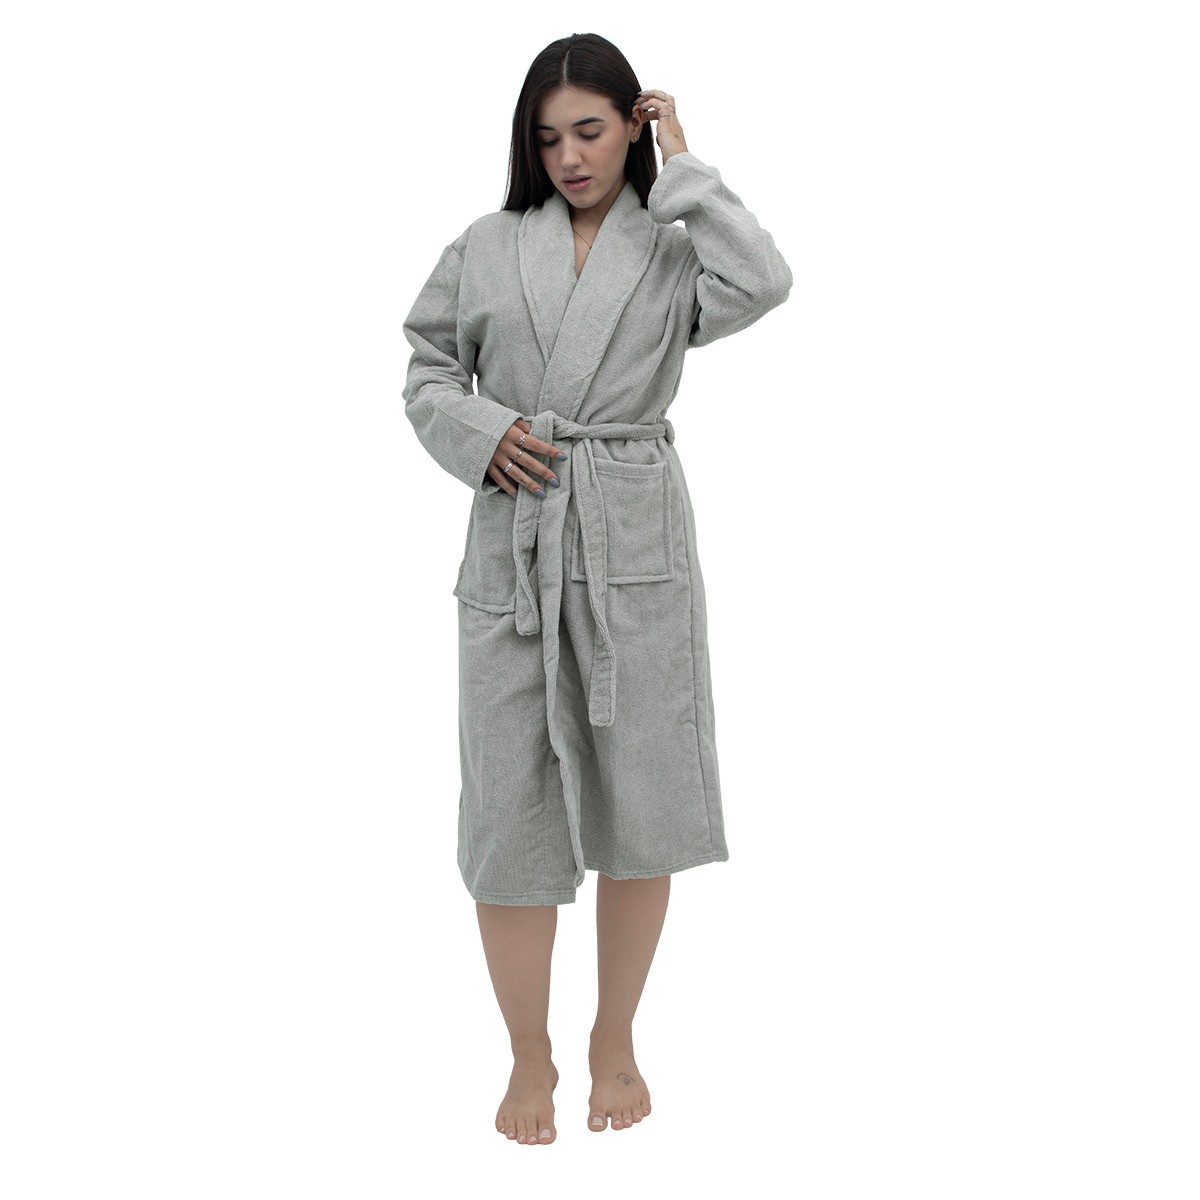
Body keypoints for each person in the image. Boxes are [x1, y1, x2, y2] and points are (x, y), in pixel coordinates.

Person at [402, 32, 791, 1146]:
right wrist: (484, 433)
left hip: (630, 535)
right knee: (509, 807)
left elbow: (763, 281)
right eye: (547, 138)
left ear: (633, 127)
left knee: (641, 798)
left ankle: (614, 1035)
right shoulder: (484, 246)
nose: (570, 157)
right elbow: (427, 369)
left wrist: (688, 171)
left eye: (591, 131)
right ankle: (527, 1050)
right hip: (518, 534)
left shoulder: (669, 254)